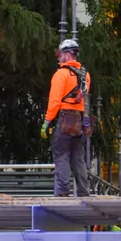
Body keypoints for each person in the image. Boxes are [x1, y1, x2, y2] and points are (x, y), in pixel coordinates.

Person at [40, 38, 92, 197]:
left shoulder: (61, 74)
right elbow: (83, 101)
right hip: (79, 122)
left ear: (68, 55)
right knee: (78, 159)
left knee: (61, 156)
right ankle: (84, 192)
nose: (58, 57)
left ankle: (62, 195)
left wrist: (47, 122)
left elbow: (55, 101)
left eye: (61, 54)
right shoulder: (85, 75)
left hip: (64, 121)